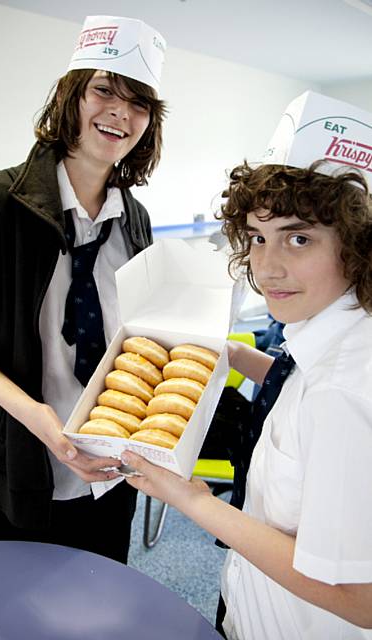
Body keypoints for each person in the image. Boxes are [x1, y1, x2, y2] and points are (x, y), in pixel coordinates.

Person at [0, 15, 166, 564]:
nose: (120, 112)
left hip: (113, 464)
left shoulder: (135, 219)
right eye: (104, 91)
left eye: (138, 103)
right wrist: (33, 415)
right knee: (18, 605)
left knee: (103, 595)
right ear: (71, 96)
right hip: (25, 462)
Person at [121, 152, 372, 636]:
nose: (268, 267)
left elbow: (360, 598)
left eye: (299, 239)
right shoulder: (331, 334)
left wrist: (192, 500)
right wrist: (233, 357)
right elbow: (292, 380)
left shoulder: (341, 394)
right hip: (254, 597)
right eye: (258, 238)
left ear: (357, 246)